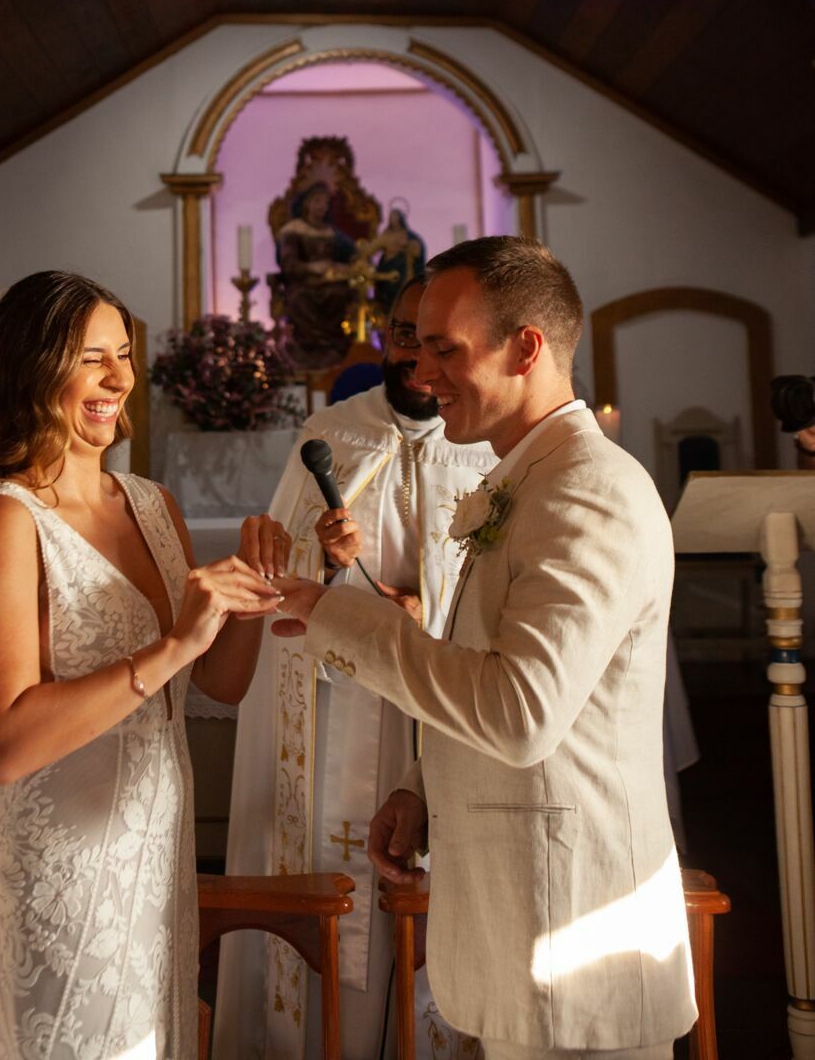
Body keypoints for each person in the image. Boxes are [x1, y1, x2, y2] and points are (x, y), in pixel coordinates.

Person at [272, 238, 697, 1060]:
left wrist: (340, 615)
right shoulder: (524, 479)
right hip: (525, 928)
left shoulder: (586, 494)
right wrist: (422, 784)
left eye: (444, 349)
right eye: (417, 345)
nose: (419, 373)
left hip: (575, 938)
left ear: (525, 347)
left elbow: (519, 712)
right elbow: (503, 666)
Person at [0, 270, 289, 1060]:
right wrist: (172, 646)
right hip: (57, 876)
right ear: (33, 369)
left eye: (122, 355)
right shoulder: (5, 521)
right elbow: (4, 745)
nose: (120, 378)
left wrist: (249, 599)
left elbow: (219, 684)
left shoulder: (152, 504)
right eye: (92, 359)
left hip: (154, 862)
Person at [213, 278, 495, 1060]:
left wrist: (419, 608)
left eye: (432, 339)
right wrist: (334, 569)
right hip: (345, 705)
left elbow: (500, 586)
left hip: (444, 702)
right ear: (383, 338)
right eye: (402, 334)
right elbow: (283, 578)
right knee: (343, 872)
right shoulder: (332, 436)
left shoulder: (488, 443)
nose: (415, 354)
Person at [276, 182, 357, 368]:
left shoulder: (331, 233)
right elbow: (289, 264)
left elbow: (354, 253)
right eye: (318, 201)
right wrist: (313, 267)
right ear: (307, 203)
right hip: (302, 282)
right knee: (301, 298)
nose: (322, 206)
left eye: (326, 202)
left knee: (339, 294)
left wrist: (346, 266)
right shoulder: (293, 230)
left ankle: (332, 346)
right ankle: (308, 347)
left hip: (330, 282)